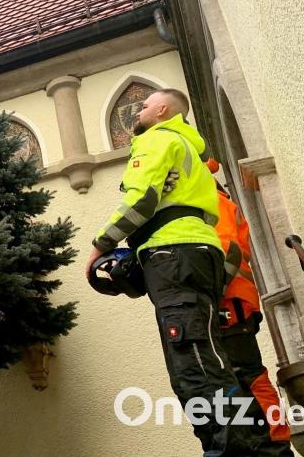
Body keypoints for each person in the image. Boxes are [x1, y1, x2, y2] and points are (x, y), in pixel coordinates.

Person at [86, 88, 275, 454]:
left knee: (199, 372)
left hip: (197, 280)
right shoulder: (196, 168)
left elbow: (142, 199)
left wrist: (101, 245)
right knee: (212, 373)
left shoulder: (159, 141)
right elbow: (220, 246)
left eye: (142, 105)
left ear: (161, 111)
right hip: (209, 281)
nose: (136, 112)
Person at [208, 158, 293, 455]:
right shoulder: (209, 196)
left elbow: (227, 251)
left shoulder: (209, 197)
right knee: (237, 380)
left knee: (248, 377)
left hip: (230, 302)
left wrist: (211, 294)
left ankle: (275, 443)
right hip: (229, 301)